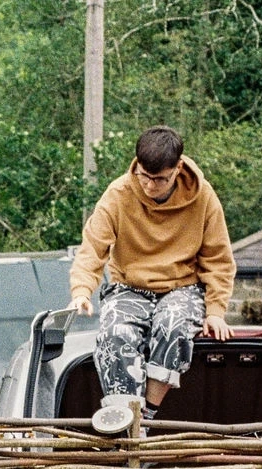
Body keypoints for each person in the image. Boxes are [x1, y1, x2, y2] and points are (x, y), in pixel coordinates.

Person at [67, 126, 235, 424]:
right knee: (113, 335)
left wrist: (216, 311)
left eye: (159, 179)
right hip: (129, 287)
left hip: (181, 287)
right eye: (144, 175)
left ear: (178, 168)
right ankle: (125, 420)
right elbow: (93, 247)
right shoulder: (118, 194)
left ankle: (145, 415)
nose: (149, 185)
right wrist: (82, 291)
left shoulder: (203, 197)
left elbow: (218, 259)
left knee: (174, 326)